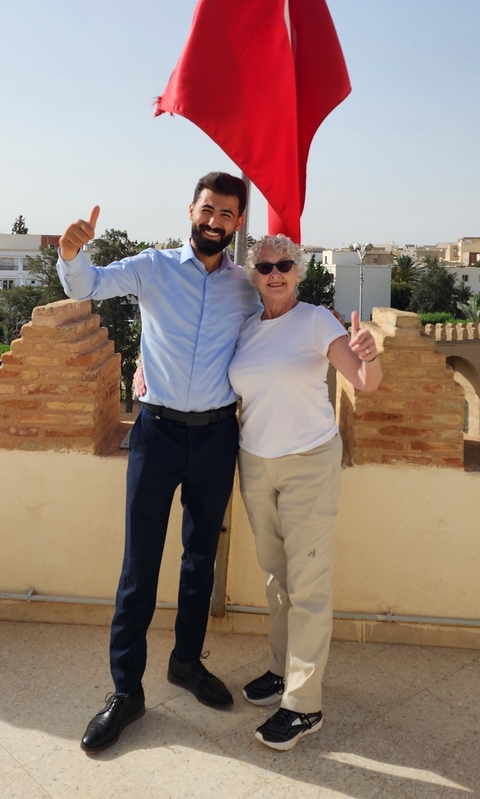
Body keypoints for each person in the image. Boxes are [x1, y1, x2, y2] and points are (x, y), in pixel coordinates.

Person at [57, 171, 261, 754]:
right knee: (139, 563)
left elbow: (282, 315)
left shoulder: (246, 286)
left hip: (219, 435)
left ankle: (186, 663)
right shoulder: (153, 266)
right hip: (157, 432)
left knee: (199, 558)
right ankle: (126, 691)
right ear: (191, 211)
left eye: (226, 213)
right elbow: (88, 285)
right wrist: (73, 254)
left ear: (238, 222)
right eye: (207, 209)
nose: (214, 221)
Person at [227, 234, 382, 751]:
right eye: (266, 266)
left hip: (309, 464)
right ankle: (281, 669)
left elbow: (363, 380)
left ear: (299, 272)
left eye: (285, 265)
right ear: (255, 275)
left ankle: (304, 704)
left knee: (309, 584)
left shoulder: (317, 320)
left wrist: (370, 353)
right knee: (277, 577)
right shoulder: (248, 328)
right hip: (255, 462)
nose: (275, 273)